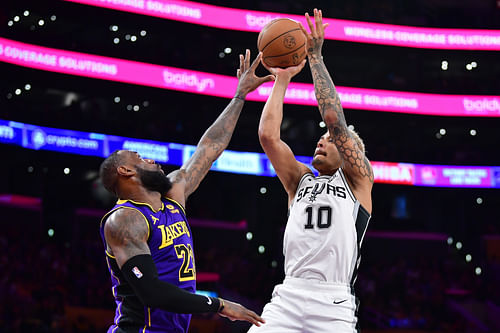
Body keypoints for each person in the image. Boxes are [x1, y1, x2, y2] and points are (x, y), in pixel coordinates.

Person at [99, 50, 273, 333]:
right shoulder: (125, 220)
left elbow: (209, 147)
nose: (151, 160)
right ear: (125, 172)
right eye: (140, 158)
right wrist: (219, 305)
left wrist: (239, 96)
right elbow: (151, 292)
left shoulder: (172, 195)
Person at [249, 9, 374, 333]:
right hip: (288, 296)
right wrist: (283, 78)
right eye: (320, 139)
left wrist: (315, 58)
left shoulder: (358, 181)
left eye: (330, 141)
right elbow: (268, 137)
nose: (322, 141)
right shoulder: (299, 180)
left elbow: (334, 120)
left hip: (332, 304)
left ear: (351, 151)